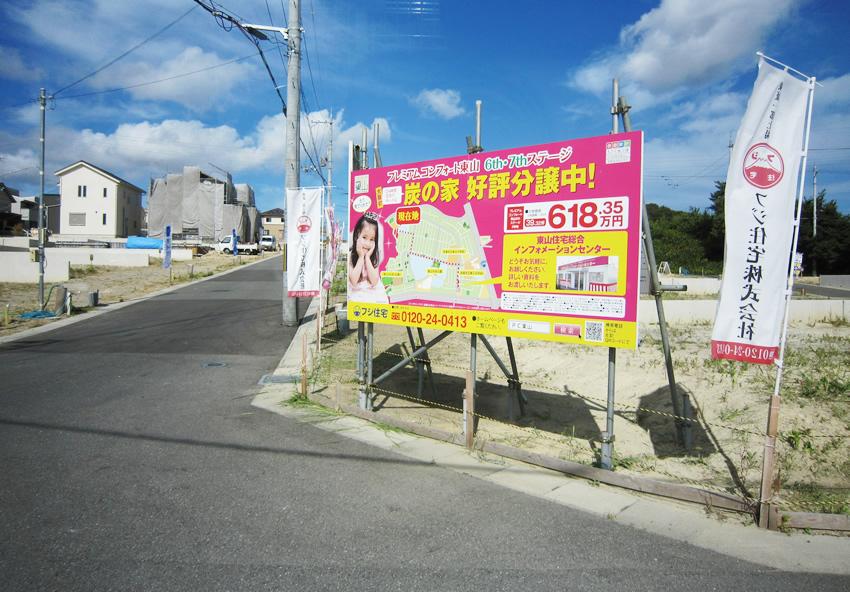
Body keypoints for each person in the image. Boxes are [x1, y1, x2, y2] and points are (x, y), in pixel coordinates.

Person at [347, 213, 389, 304]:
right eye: (364, 237)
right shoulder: (350, 255)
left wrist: (367, 258)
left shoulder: (375, 255)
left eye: (372, 239)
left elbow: (374, 281)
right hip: (357, 294)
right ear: (357, 234)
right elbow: (354, 281)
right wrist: (361, 256)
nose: (367, 243)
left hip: (373, 294)